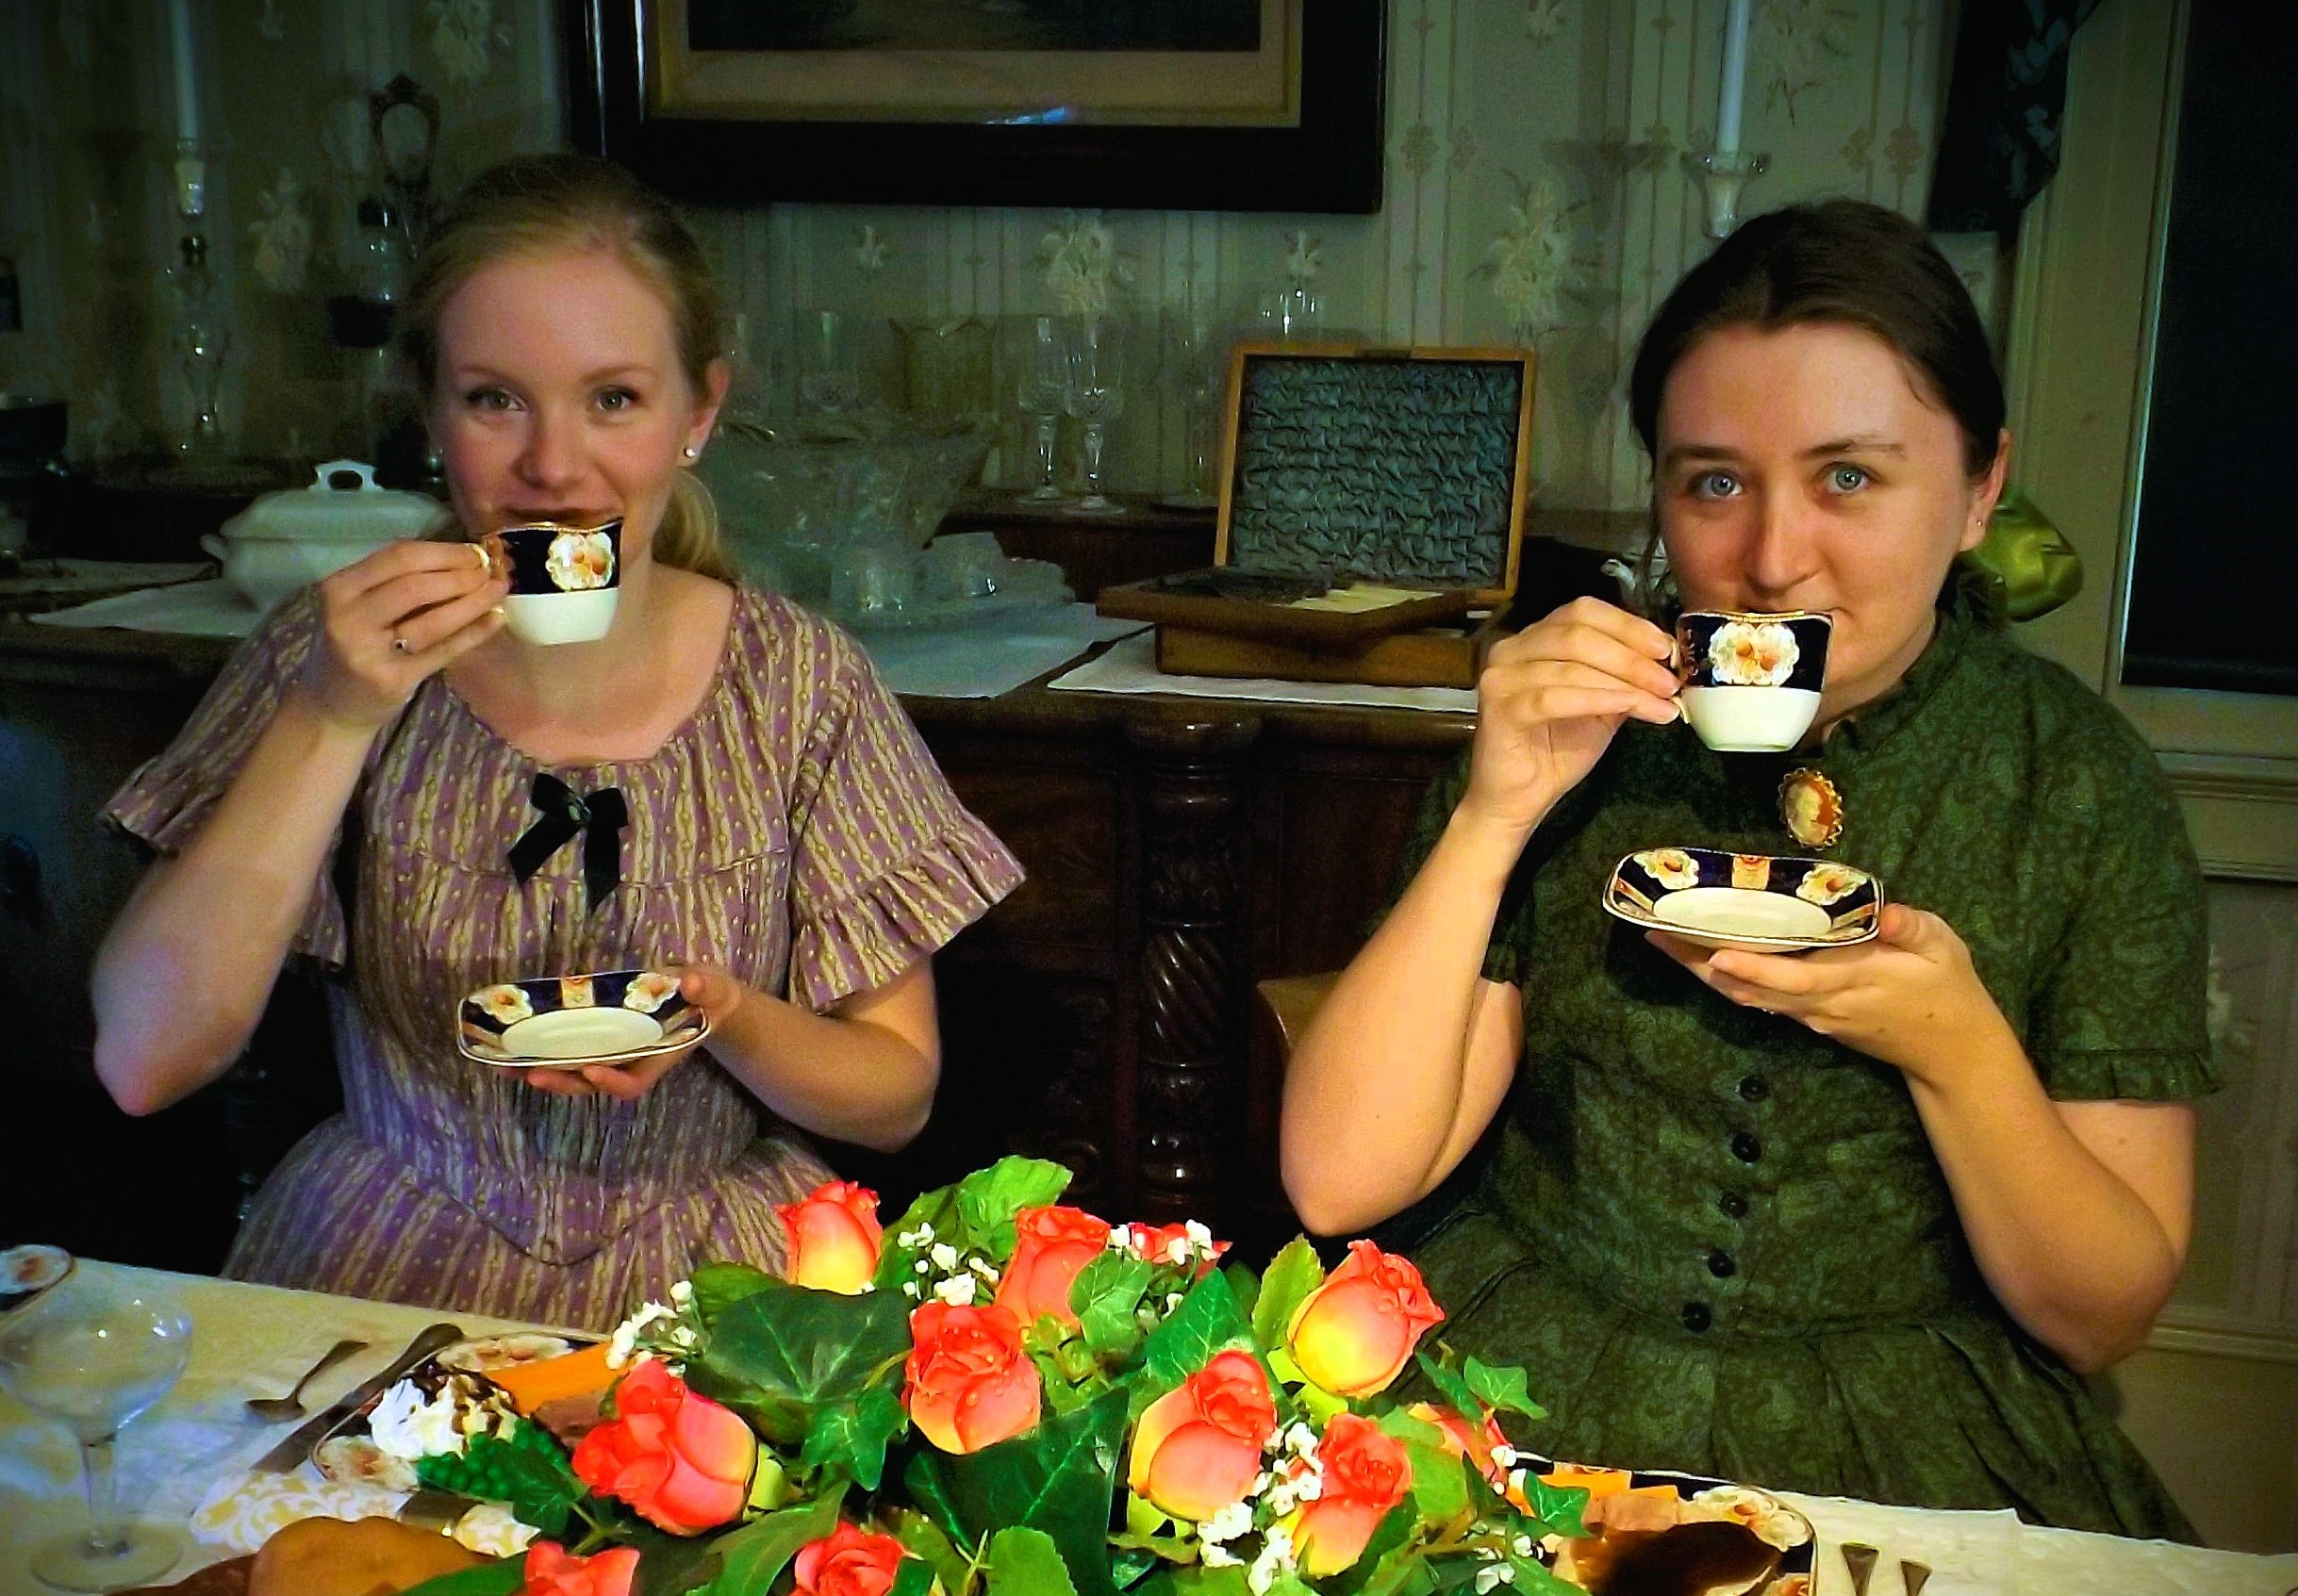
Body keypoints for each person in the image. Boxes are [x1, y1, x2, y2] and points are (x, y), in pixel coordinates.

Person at [1280, 200, 2210, 1538]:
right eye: (1713, 482)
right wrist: (1491, 816)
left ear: (1980, 487)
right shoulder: (1572, 729)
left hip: (1911, 1428)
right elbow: (1337, 1181)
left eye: (1849, 479)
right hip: (1525, 1381)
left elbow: (2100, 1315)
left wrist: (1955, 1046)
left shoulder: (2079, 787)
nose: (1772, 562)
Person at [91, 155, 1023, 1331]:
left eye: (614, 400)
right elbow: (145, 1060)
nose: (553, 465)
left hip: (717, 1287)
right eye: (495, 399)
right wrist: (331, 715)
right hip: (376, 1274)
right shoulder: (324, 653)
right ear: (430, 412)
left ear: (700, 413)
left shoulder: (799, 681)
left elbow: (893, 1098)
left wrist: (721, 1013)